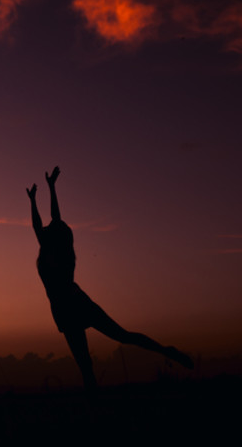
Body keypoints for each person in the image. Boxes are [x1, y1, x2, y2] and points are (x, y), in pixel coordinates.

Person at [28, 166, 193, 392]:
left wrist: (40, 196)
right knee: (104, 349)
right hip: (72, 304)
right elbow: (48, 221)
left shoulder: (55, 253)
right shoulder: (59, 249)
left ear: (54, 236)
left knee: (96, 355)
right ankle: (166, 352)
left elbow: (45, 222)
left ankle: (167, 351)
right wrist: (47, 190)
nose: (46, 227)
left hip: (70, 305)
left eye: (50, 228)